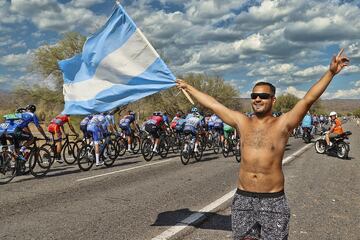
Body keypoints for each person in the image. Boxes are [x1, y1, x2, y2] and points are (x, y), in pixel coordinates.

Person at [176, 49, 349, 239]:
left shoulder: (283, 123)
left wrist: (331, 73)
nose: (257, 99)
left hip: (273, 201)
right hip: (243, 199)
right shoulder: (242, 122)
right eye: (254, 95)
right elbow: (214, 105)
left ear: (273, 100)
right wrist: (188, 87)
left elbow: (308, 99)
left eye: (263, 96)